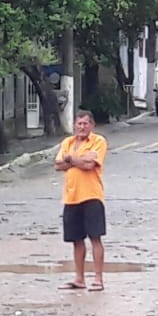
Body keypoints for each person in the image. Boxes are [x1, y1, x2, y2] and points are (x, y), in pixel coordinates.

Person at [54, 109, 108, 292]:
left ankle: (98, 279)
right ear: (74, 125)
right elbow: (58, 165)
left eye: (86, 123)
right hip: (71, 197)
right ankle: (79, 278)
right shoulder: (67, 142)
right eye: (79, 123)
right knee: (76, 240)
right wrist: (78, 159)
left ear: (92, 125)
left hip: (92, 195)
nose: (82, 127)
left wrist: (70, 159)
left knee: (95, 238)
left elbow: (90, 165)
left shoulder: (98, 141)